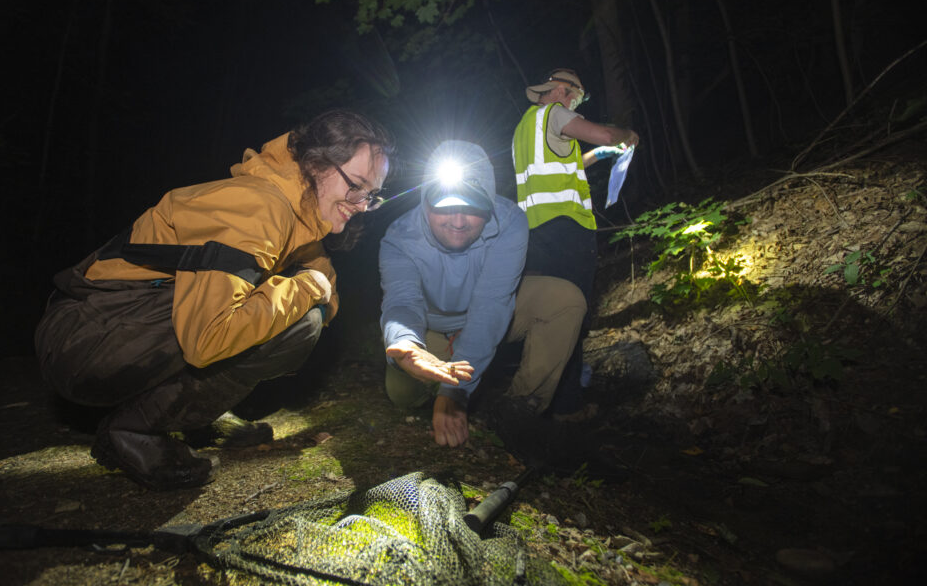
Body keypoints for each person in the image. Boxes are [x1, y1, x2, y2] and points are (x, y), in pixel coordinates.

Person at [35, 109, 395, 490]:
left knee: (296, 314)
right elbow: (209, 337)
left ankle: (189, 412)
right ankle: (135, 428)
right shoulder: (259, 205)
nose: (360, 204)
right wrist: (304, 288)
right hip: (84, 339)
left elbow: (329, 289)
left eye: (371, 196)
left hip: (123, 330)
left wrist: (309, 290)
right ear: (315, 163)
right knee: (295, 319)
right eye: (355, 185)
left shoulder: (303, 217)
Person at [379, 140, 591, 447]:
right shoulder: (399, 239)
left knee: (565, 300)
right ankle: (437, 389)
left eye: (472, 207)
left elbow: (491, 306)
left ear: (490, 204)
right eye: (445, 206)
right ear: (425, 202)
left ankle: (521, 408)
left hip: (492, 314)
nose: (458, 221)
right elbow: (401, 302)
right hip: (432, 326)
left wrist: (454, 392)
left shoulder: (511, 222)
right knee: (403, 394)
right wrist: (405, 343)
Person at [512, 68, 640, 417]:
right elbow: (602, 133)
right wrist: (625, 135)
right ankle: (565, 407)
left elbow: (562, 166)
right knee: (572, 314)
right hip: (567, 231)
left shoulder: (527, 126)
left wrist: (598, 157)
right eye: (576, 97)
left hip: (535, 232)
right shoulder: (554, 112)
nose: (576, 105)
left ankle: (542, 400)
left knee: (547, 316)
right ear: (560, 91)